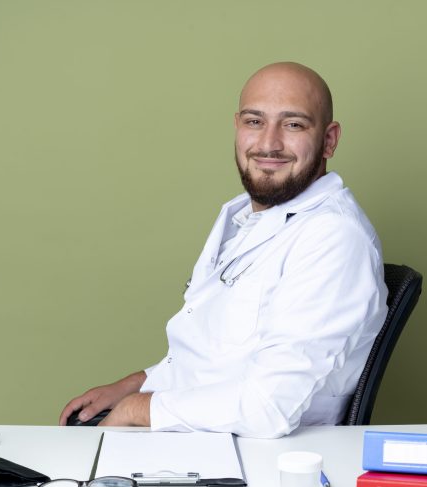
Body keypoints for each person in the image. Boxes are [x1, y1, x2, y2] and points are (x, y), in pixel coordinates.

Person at [59, 62, 388, 438]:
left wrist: (139, 408)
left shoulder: (333, 238)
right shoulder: (243, 216)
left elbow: (269, 408)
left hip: (254, 457)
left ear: (329, 140)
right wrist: (137, 383)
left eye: (293, 124)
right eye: (254, 121)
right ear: (237, 127)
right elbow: (215, 356)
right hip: (204, 438)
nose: (268, 143)